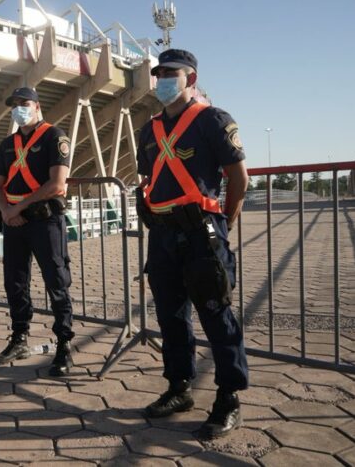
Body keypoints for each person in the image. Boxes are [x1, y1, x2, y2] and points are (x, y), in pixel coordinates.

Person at [135, 49, 249, 439]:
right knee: (171, 315)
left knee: (217, 315)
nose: (162, 78)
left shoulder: (213, 120)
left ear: (191, 79)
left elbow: (239, 179)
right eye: (158, 73)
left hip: (202, 234)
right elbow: (148, 179)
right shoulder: (148, 130)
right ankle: (179, 388)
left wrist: (223, 225)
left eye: (170, 72)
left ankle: (228, 397)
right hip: (163, 235)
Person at [0, 86, 75, 377]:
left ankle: (64, 345)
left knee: (56, 280)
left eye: (24, 103)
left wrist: (17, 208)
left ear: (37, 106)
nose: (18, 109)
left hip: (45, 221)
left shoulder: (54, 136)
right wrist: (6, 211)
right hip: (14, 223)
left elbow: (57, 184)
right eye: (13, 105)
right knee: (15, 281)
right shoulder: (6, 144)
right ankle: (19, 338)